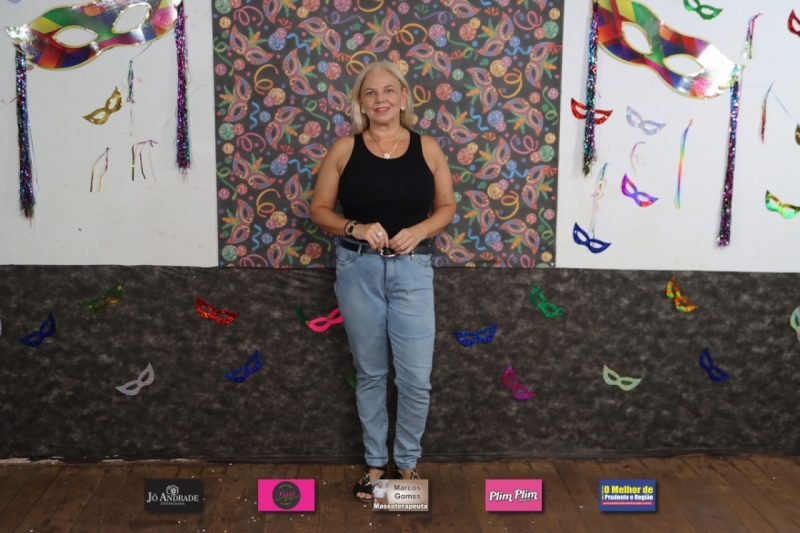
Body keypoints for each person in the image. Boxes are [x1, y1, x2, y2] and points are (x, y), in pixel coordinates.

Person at [309, 60, 456, 503]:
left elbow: (447, 206)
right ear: (360, 102)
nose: (380, 99)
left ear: (404, 97)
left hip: (413, 271)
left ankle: (407, 464)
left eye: (389, 90)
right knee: (371, 374)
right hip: (359, 271)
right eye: (370, 92)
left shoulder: (427, 148)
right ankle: (375, 465)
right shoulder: (343, 149)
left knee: (415, 379)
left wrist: (421, 230)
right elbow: (319, 210)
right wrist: (353, 227)